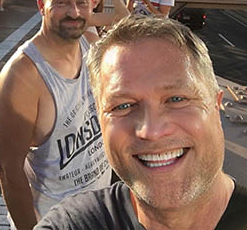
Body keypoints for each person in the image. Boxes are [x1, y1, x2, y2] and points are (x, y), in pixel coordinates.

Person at [35, 15, 247, 230]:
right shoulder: (73, 224)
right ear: (101, 122)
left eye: (176, 99)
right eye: (123, 106)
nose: (151, 131)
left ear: (215, 106)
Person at [0, 0, 112, 230]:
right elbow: (8, 170)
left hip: (100, 213)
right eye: (61, 2)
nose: (74, 12)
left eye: (81, 2)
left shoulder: (91, 45)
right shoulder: (23, 76)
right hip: (54, 222)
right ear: (42, 6)